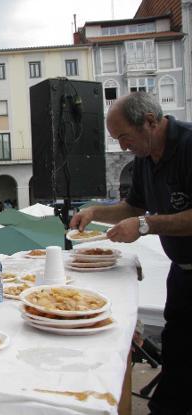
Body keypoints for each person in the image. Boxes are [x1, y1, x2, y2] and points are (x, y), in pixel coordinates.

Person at [70, 91, 192, 415]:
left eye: (124, 136)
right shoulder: (143, 159)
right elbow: (133, 205)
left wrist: (144, 225)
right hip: (182, 273)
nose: (122, 146)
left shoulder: (189, 146)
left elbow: (143, 218)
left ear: (150, 122)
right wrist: (96, 211)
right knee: (177, 354)